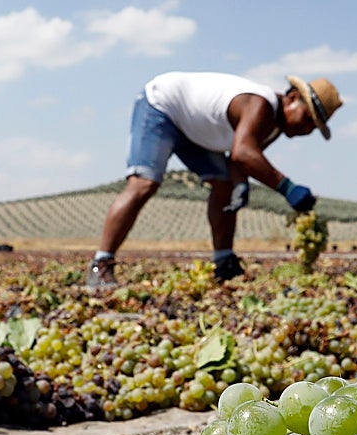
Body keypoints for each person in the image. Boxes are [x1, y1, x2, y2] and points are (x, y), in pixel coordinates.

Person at [86, 71, 342, 289]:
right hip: (162, 108)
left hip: (195, 132)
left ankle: (224, 263)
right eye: (308, 119)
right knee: (144, 183)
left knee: (225, 187)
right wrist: (288, 188)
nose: (307, 130)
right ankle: (101, 265)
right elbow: (244, 153)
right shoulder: (260, 104)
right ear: (293, 98)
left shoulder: (274, 127)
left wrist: (240, 182)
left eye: (314, 127)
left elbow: (238, 157)